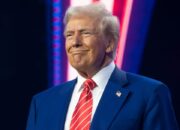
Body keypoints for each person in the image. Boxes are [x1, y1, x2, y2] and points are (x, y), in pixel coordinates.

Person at [26, 3, 179, 130]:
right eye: (69, 35)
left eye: (85, 33)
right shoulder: (42, 103)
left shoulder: (149, 94)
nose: (75, 42)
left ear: (110, 43)